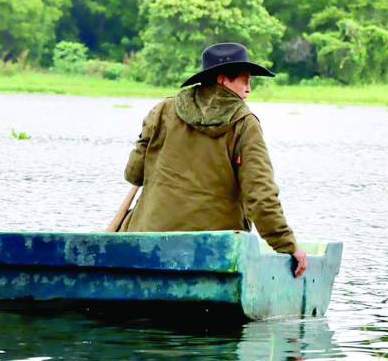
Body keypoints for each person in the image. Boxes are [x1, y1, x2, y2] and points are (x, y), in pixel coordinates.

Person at [118, 42, 307, 277]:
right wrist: (287, 246)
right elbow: (261, 196)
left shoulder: (162, 111)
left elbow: (133, 174)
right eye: (244, 80)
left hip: (147, 241)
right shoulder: (245, 124)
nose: (249, 89)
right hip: (216, 251)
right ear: (222, 80)